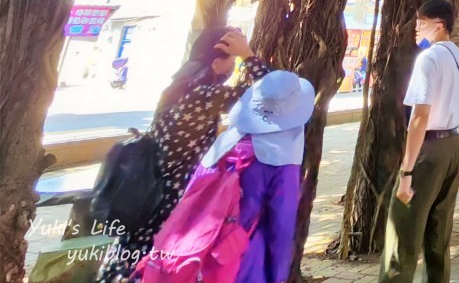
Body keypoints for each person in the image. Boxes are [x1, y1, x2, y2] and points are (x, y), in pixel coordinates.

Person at [97, 27, 269, 283]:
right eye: (231, 61)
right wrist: (247, 55)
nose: (234, 67)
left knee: (130, 266)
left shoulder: (180, 88)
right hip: (169, 211)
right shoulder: (202, 96)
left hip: (149, 203)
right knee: (153, 270)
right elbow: (269, 95)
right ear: (216, 62)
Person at [157, 70, 315, 283]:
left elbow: (191, 196)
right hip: (244, 259)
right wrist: (278, 274)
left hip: (196, 252)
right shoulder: (281, 162)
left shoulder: (223, 144)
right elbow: (282, 226)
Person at [379, 0, 459, 283]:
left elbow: (419, 117)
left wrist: (406, 171)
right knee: (438, 234)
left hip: (428, 150)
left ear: (439, 25)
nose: (416, 29)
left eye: (422, 23)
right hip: (453, 148)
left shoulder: (428, 58)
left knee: (403, 234)